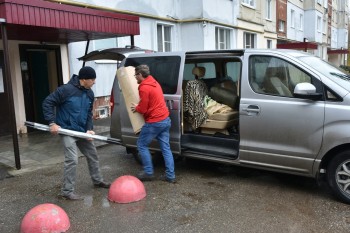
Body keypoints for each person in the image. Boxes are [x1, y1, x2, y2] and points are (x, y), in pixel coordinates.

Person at [42, 66, 110, 200]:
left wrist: (89, 129)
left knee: (93, 155)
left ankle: (97, 181)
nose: (94, 82)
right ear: (84, 79)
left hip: (82, 131)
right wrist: (52, 122)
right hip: (67, 130)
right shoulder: (65, 90)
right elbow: (47, 102)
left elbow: (88, 113)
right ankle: (67, 191)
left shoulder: (89, 93)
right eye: (92, 79)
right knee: (72, 160)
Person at [131, 64, 176, 183]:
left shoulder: (143, 87)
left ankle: (148, 172)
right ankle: (170, 176)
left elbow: (143, 108)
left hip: (155, 122)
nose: (135, 77)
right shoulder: (154, 82)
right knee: (166, 148)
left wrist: (137, 107)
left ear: (140, 75)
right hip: (165, 120)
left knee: (141, 145)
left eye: (136, 75)